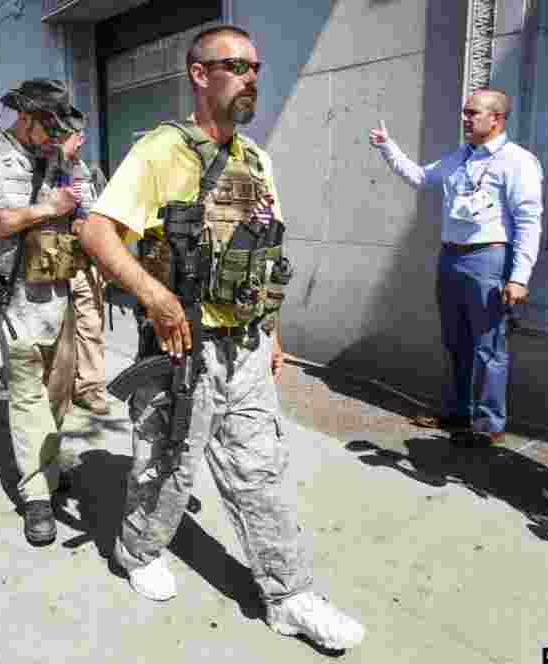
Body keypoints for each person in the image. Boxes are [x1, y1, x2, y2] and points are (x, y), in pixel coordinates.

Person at [78, 26, 365, 650]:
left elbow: (265, 254)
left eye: (255, 66)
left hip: (247, 348)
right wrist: (153, 296)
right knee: (167, 465)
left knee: (260, 472)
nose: (251, 76)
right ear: (199, 74)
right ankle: (137, 551)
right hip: (183, 348)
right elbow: (97, 233)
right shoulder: (161, 151)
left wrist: (274, 331)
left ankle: (288, 595)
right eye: (235, 65)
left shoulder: (255, 161)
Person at [369, 89, 543, 448]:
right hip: (451, 258)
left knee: (488, 347)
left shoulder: (518, 161)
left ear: (496, 119)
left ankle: (488, 426)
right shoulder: (460, 158)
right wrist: (388, 147)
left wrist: (519, 277)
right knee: (456, 341)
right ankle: (457, 411)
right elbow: (419, 177)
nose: (465, 119)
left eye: (473, 113)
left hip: (489, 259)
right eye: (464, 113)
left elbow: (529, 221)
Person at [0, 78, 82, 545]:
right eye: (47, 127)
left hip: (59, 286)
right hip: (13, 292)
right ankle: (36, 496)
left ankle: (45, 463)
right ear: (25, 118)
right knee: (28, 390)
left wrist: (72, 164)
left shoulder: (59, 156)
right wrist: (45, 208)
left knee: (58, 388)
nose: (54, 136)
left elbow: (85, 209)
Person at [60, 130, 110, 415]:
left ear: (80, 138)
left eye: (70, 134)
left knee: (90, 327)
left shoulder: (90, 172)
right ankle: (56, 390)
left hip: (85, 263)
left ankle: (89, 388)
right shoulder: (43, 171)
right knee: (53, 329)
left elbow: (107, 213)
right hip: (51, 261)